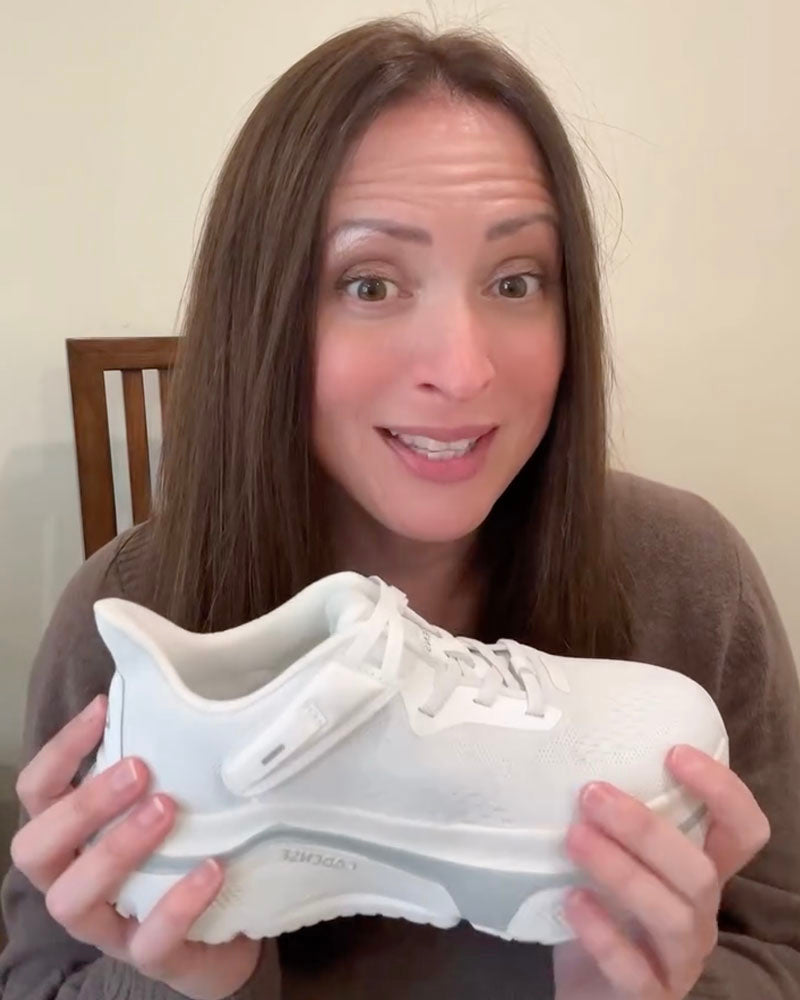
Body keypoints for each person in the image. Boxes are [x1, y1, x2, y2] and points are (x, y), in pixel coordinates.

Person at [1, 15, 799, 1000]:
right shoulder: (119, 613)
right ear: (266, 317)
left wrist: (646, 991)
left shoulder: (691, 579)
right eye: (368, 283)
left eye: (515, 280)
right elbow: (39, 981)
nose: (462, 370)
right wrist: (181, 983)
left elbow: (778, 946)